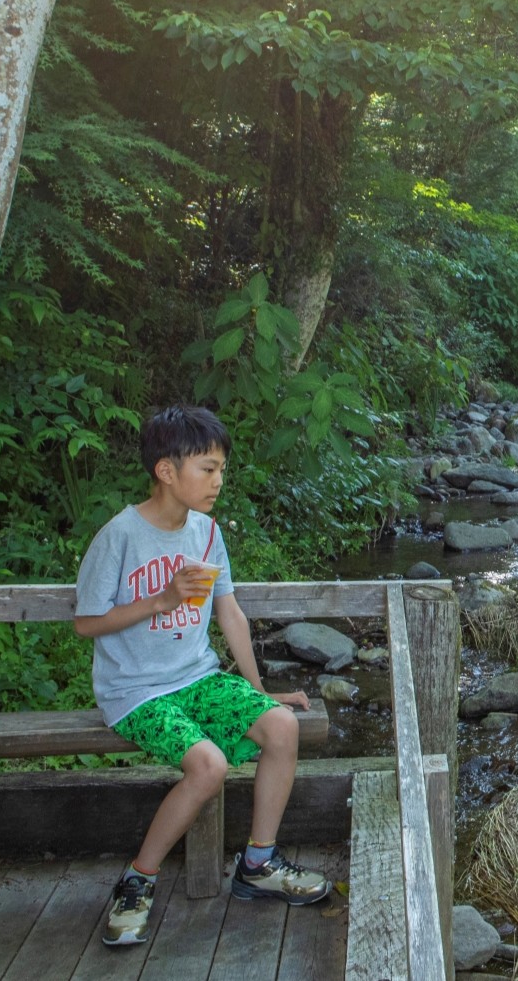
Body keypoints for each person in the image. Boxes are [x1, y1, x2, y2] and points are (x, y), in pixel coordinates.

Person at [74, 404, 329, 948]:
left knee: (281, 726)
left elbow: (229, 612)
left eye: (220, 469)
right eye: (207, 469)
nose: (219, 480)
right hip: (136, 691)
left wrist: (260, 693)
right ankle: (138, 880)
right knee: (209, 765)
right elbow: (86, 623)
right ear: (167, 471)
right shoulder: (119, 537)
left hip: (198, 678)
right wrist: (160, 599)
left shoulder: (207, 534)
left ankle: (258, 865)